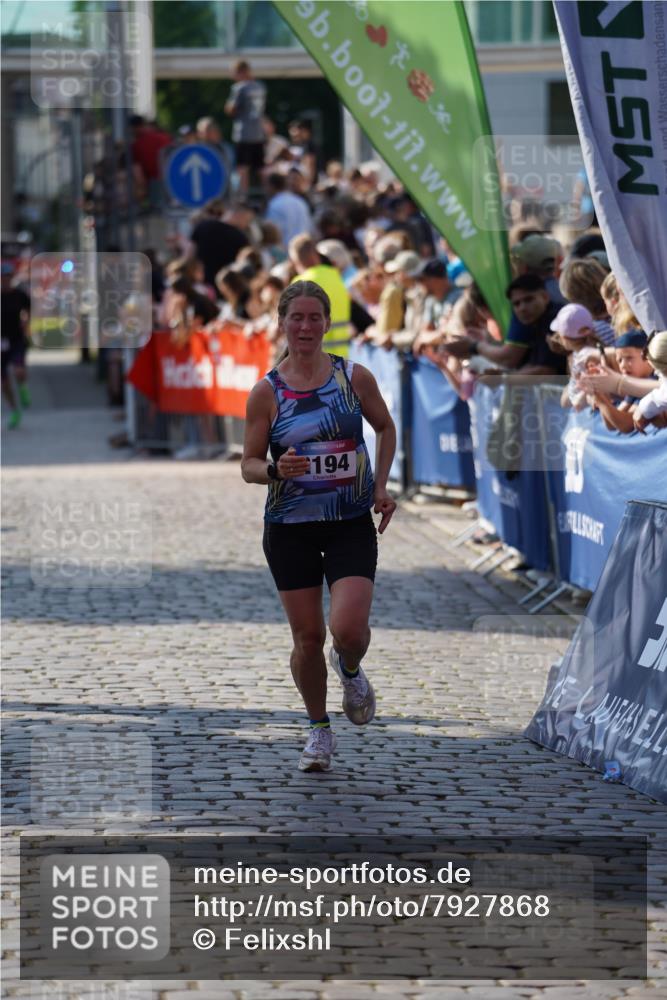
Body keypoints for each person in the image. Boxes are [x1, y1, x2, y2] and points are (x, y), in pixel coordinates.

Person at [241, 281, 397, 772]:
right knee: (307, 638)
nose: (305, 327)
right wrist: (272, 471)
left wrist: (381, 486)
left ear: (327, 323)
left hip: (349, 521)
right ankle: (318, 730)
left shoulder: (354, 377)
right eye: (296, 318)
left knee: (347, 628)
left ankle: (349, 667)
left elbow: (385, 427)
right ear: (283, 323)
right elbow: (246, 462)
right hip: (290, 527)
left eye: (314, 318)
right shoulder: (267, 391)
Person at [288, 235, 352, 357]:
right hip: (342, 359)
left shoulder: (300, 283)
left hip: (315, 361)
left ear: (296, 260)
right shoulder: (336, 276)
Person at [224, 60, 267, 194]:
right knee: (261, 168)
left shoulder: (239, 88)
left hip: (243, 133)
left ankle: (243, 197)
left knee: (242, 168)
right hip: (258, 133)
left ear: (241, 72)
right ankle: (269, 194)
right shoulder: (260, 87)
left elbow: (231, 109)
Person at [188, 199, 249, 291]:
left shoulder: (203, 226)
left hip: (202, 285)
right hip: (227, 288)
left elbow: (190, 254)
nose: (246, 224)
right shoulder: (240, 237)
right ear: (240, 216)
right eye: (247, 220)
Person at [1, 261, 30, 429]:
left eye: (7, 277)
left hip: (16, 339)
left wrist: (26, 322)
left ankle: (23, 387)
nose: (5, 280)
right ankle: (14, 410)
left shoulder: (19, 295)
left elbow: (29, 310)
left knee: (19, 371)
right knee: (3, 383)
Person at [264, 172, 313, 247]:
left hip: (285, 252)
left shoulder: (275, 204)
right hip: (302, 249)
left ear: (272, 186)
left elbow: (273, 233)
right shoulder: (300, 201)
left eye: (267, 185)